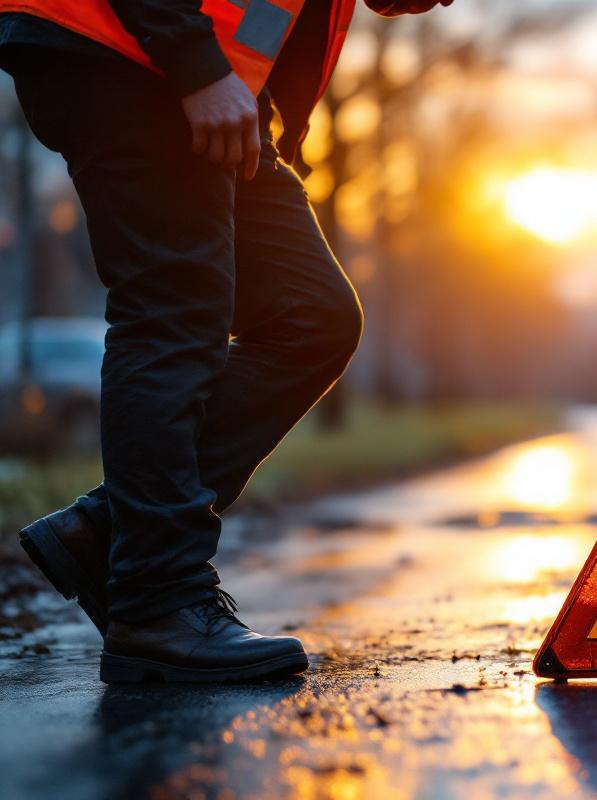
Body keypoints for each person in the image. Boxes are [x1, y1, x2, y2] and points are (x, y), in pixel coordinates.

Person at [0, 0, 454, 684]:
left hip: (212, 79)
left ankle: (107, 533)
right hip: (136, 52)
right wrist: (194, 66)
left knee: (314, 316)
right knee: (171, 314)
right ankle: (156, 602)